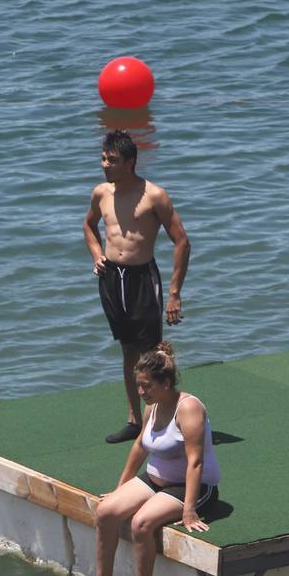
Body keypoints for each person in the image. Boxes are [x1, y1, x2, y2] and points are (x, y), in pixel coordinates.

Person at [74, 342, 220, 576]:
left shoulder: (188, 408)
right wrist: (121, 487)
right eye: (138, 386)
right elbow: (140, 446)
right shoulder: (152, 407)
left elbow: (196, 462)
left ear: (165, 383)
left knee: (142, 523)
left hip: (194, 487)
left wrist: (189, 509)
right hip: (154, 479)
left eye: (146, 386)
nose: (140, 392)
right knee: (105, 511)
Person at [83, 129, 193, 443]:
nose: (105, 164)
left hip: (143, 278)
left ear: (130, 162)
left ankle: (171, 419)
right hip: (111, 279)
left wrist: (174, 294)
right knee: (128, 349)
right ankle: (135, 421)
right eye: (104, 158)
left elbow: (182, 242)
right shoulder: (101, 193)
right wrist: (96, 254)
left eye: (113, 160)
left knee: (154, 353)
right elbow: (88, 225)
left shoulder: (154, 195)